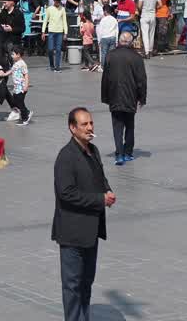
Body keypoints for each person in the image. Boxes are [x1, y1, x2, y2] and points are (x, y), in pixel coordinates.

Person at [52, 107, 115, 321]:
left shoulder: (93, 151)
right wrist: (99, 200)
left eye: (91, 123)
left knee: (86, 282)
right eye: (84, 124)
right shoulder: (66, 157)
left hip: (90, 231)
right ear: (72, 128)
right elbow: (66, 193)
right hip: (72, 233)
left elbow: (100, 178)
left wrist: (107, 190)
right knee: (72, 286)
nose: (89, 128)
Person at [101, 32, 146, 166]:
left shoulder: (110, 55)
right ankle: (128, 152)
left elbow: (105, 78)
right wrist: (142, 98)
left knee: (117, 126)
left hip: (114, 95)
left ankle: (119, 154)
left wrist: (105, 96)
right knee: (130, 125)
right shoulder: (136, 57)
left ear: (119, 41)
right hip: (131, 96)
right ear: (131, 42)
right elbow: (141, 80)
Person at [0, 45, 32, 125]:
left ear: (18, 55)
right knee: (16, 101)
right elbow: (11, 71)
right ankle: (26, 113)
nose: (11, 56)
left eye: (13, 54)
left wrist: (26, 85)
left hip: (21, 87)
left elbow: (26, 75)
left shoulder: (22, 64)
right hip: (16, 87)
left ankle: (25, 117)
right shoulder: (16, 63)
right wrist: (4, 74)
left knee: (20, 103)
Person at [42, 0, 69, 73]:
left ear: (60, 1)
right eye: (56, 1)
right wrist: (43, 32)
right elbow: (45, 21)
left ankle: (57, 67)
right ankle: (51, 64)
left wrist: (65, 33)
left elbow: (64, 21)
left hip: (60, 32)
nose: (57, 3)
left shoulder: (62, 9)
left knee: (58, 50)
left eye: (58, 2)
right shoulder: (49, 9)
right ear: (54, 1)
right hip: (51, 32)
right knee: (50, 49)